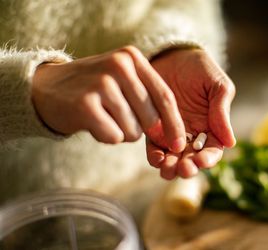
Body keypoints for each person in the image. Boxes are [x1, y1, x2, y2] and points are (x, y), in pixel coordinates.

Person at [0, 0, 235, 204]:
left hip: (133, 177)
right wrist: (25, 89)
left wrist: (171, 48)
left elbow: (190, 5)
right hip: (12, 195)